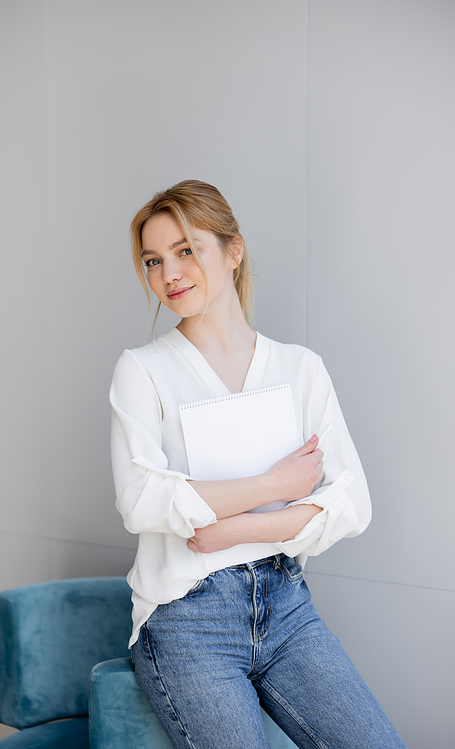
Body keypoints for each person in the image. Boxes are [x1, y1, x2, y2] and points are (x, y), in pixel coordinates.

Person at [110, 180, 406, 749]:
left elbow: (350, 502)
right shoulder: (142, 370)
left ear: (233, 251)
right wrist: (275, 486)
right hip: (188, 621)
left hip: (287, 604)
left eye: (187, 250)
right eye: (153, 260)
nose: (169, 273)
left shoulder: (300, 369)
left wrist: (232, 529)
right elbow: (141, 498)